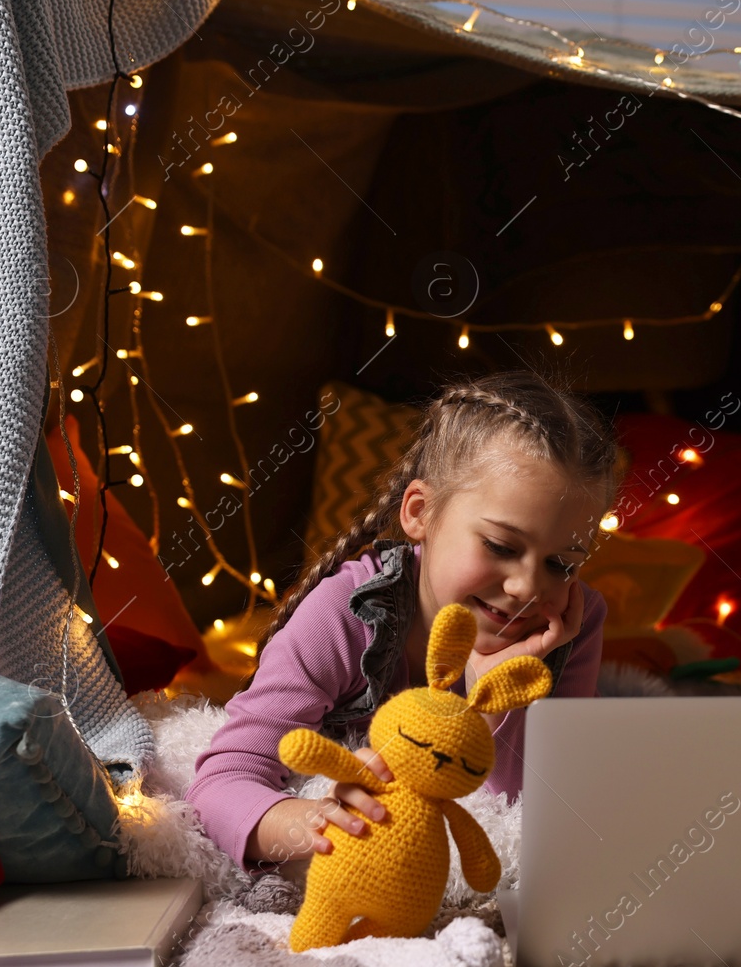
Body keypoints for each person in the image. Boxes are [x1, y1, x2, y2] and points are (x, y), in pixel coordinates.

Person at [188, 371, 615, 870]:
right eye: (501, 546)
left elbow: (536, 824)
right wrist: (319, 824)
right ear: (420, 513)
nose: (526, 587)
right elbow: (226, 779)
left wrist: (490, 703)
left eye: (561, 564)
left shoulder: (573, 625)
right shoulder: (346, 612)